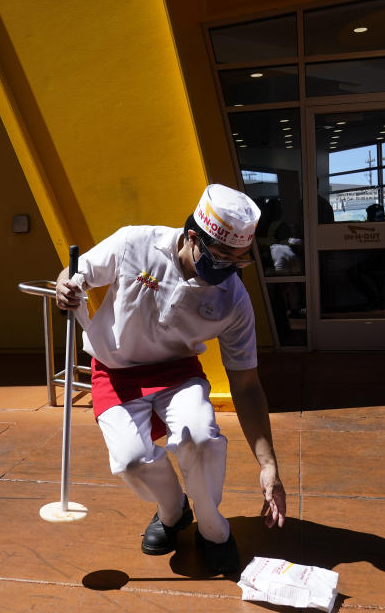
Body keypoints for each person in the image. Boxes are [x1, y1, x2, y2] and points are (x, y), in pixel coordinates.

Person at [54, 183, 286, 575]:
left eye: (239, 261)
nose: (229, 269)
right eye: (222, 258)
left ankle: (213, 529)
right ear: (193, 237)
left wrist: (268, 465)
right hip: (115, 369)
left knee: (199, 438)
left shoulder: (233, 299)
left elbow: (246, 386)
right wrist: (65, 286)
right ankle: (173, 511)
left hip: (178, 374)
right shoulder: (135, 243)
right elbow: (77, 274)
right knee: (129, 460)